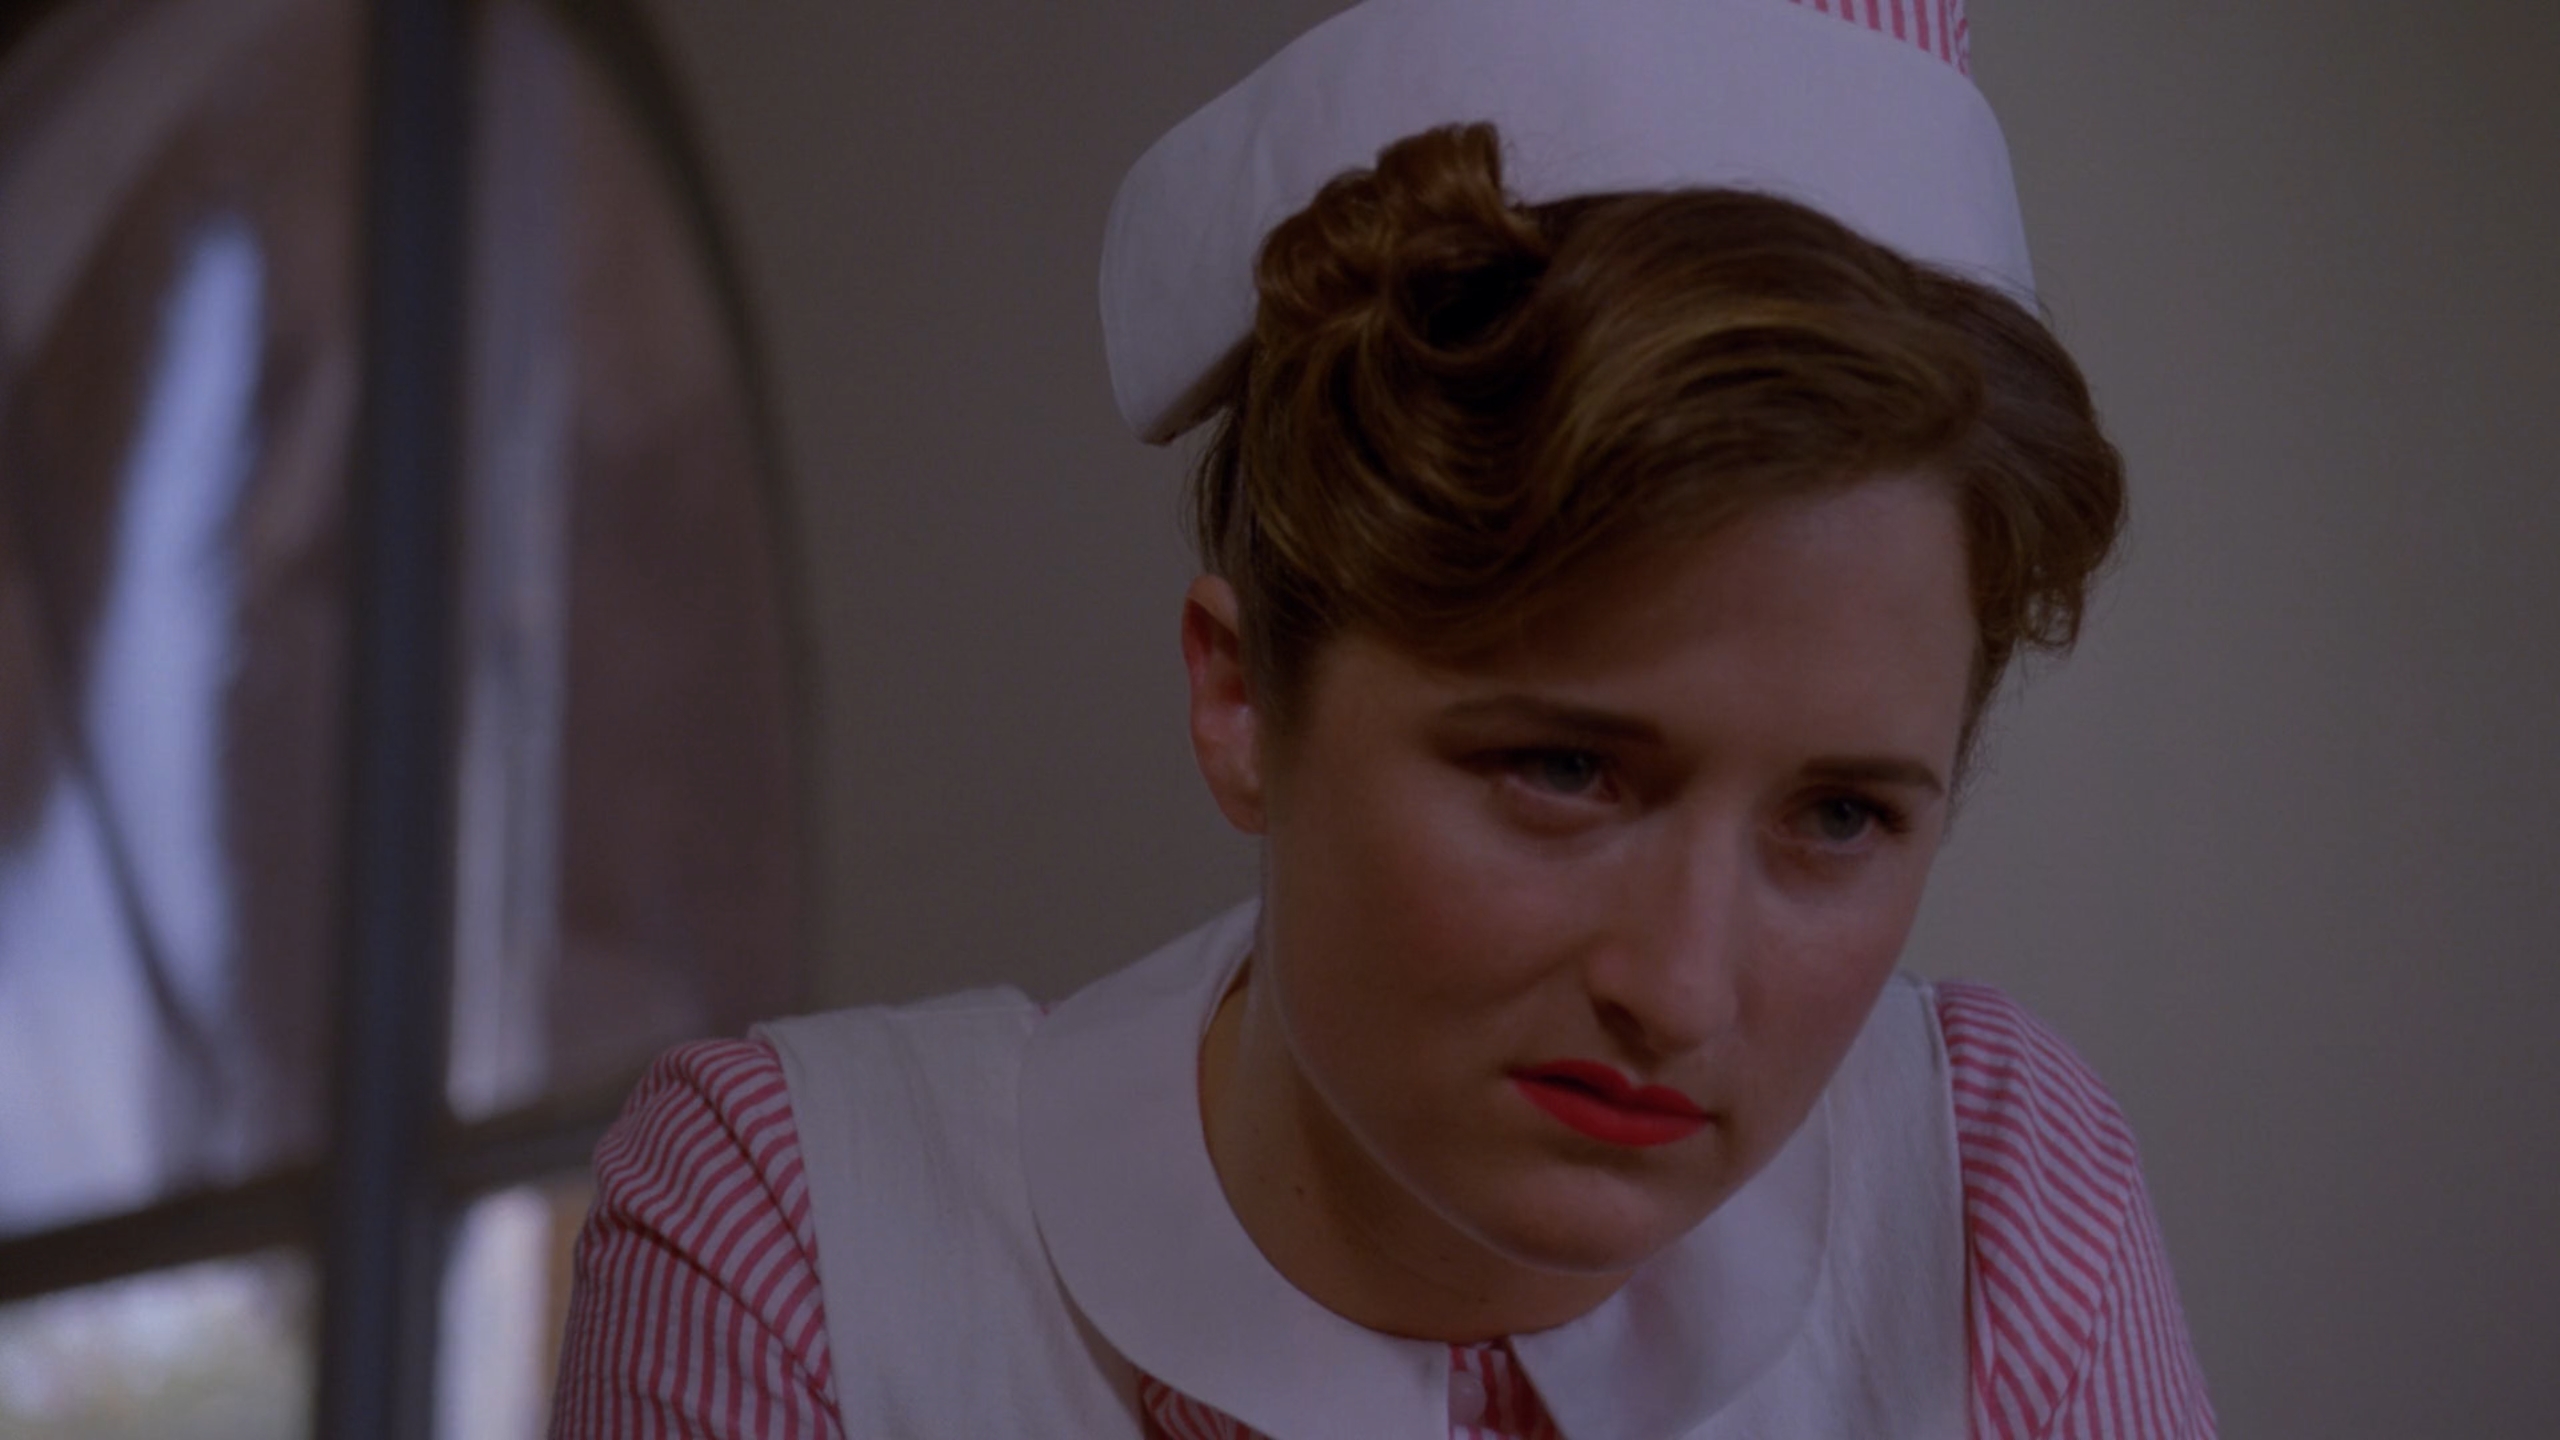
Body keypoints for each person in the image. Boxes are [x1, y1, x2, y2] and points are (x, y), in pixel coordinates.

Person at [550, 2, 2215, 1436]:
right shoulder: (805, 1241)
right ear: (1241, 697)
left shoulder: (1990, 1191)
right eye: (1564, 769)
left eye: (1841, 816)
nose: (1682, 988)